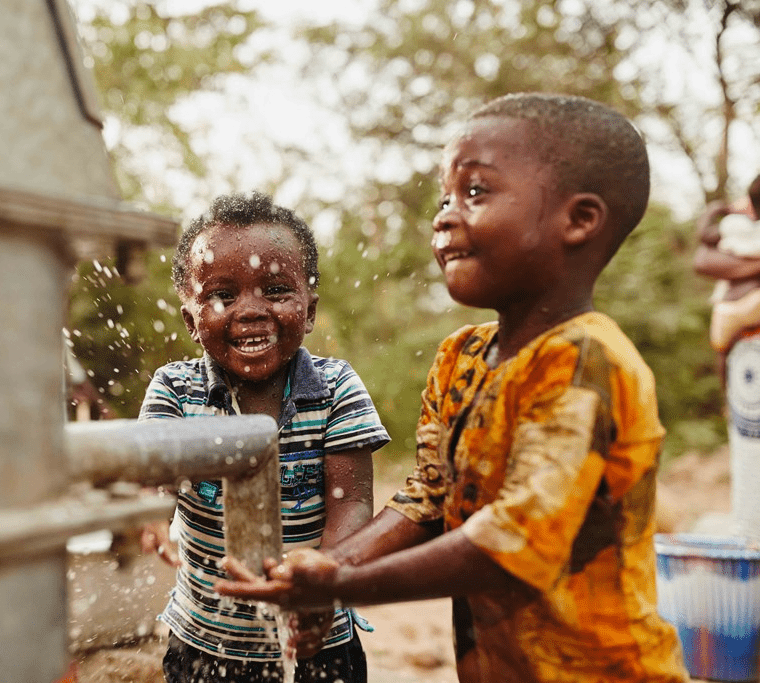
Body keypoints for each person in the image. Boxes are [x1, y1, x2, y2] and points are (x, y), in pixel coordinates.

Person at [216, 94, 690, 683]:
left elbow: (513, 541)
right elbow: (432, 498)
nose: (444, 215)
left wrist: (346, 583)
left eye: (475, 192)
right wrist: (324, 570)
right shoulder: (461, 356)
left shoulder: (586, 361)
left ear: (579, 220)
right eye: (445, 197)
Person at [138, 191, 390, 683]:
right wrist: (147, 515)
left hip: (319, 634)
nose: (251, 311)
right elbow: (155, 478)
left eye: (275, 290)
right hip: (204, 642)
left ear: (310, 309)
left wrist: (323, 576)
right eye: (222, 295)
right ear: (191, 319)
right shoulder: (175, 389)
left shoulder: (336, 388)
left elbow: (351, 505)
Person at [694, 173, 760, 385]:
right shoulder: (742, 227)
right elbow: (701, 261)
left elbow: (704, 237)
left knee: (721, 350)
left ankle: (725, 399)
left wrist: (718, 208)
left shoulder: (734, 226)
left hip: (728, 310)